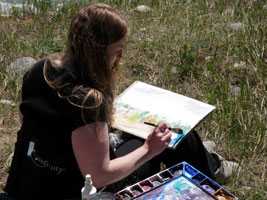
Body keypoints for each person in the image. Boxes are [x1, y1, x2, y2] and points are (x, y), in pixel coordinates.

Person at [3, 3, 238, 200]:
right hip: (77, 190)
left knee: (163, 134)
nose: (121, 56)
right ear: (98, 52)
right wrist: (148, 150)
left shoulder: (38, 70)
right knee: (174, 137)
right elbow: (98, 176)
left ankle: (207, 160)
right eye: (118, 49)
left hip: (29, 182)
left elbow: (28, 123)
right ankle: (212, 169)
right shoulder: (87, 101)